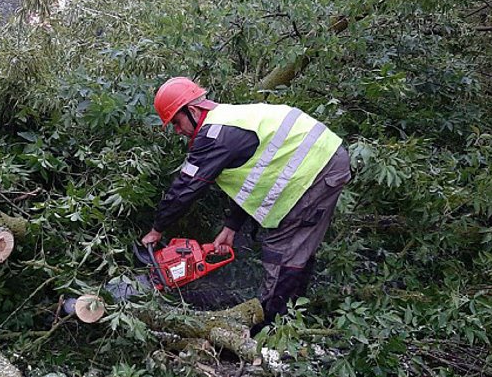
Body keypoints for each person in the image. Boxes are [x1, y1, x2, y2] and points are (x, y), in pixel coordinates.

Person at [141, 77, 350, 329]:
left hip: (315, 172)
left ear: (193, 110)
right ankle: (292, 318)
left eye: (176, 121)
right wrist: (231, 227)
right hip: (321, 164)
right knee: (297, 249)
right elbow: (255, 179)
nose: (177, 130)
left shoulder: (213, 135)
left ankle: (271, 329)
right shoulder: (228, 120)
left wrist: (156, 230)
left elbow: (185, 188)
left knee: (281, 250)